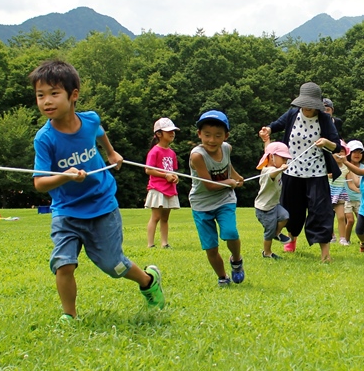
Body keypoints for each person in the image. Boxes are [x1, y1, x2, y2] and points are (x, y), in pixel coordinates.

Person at [29, 59, 164, 322]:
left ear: (73, 95)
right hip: (67, 212)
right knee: (63, 264)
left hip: (102, 205)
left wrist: (111, 152)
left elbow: (99, 131)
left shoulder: (89, 120)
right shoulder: (44, 139)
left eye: (54, 93)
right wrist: (64, 176)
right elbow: (39, 183)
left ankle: (149, 281)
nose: (46, 101)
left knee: (113, 266)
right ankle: (69, 316)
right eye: (40, 95)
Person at [259, 82, 341, 263]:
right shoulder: (292, 114)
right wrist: (268, 130)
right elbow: (276, 125)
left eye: (311, 104)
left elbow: (337, 146)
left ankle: (325, 254)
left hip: (317, 173)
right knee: (292, 211)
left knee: (321, 212)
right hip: (292, 171)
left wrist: (325, 142)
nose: (307, 108)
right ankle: (292, 239)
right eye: (305, 103)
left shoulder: (324, 119)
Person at [189, 110, 245, 286]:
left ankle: (236, 261)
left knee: (230, 233)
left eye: (218, 135)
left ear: (225, 136)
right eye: (207, 135)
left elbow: (227, 165)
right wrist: (230, 181)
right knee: (210, 247)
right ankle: (222, 277)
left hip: (224, 200)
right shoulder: (197, 156)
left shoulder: (226, 148)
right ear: (199, 134)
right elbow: (210, 185)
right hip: (201, 204)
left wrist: (236, 176)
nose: (212, 140)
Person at [145, 117, 181, 248]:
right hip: (157, 188)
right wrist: (165, 175)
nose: (172, 133)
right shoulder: (154, 151)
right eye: (168, 131)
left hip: (169, 189)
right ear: (159, 134)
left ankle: (164, 243)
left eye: (173, 131)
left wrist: (174, 177)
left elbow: (172, 170)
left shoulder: (172, 153)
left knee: (165, 218)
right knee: (156, 217)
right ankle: (150, 244)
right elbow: (148, 170)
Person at [255, 137, 293, 259]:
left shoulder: (276, 167)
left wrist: (266, 140)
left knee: (285, 216)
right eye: (283, 158)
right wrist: (281, 169)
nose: (285, 161)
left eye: (286, 159)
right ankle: (267, 253)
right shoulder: (269, 170)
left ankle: (277, 233)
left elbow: (268, 150)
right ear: (272, 157)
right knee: (269, 232)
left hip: (274, 205)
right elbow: (271, 174)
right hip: (264, 209)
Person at [330, 140, 351, 245]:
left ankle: (342, 238)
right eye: (336, 151)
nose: (339, 154)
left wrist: (358, 189)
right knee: (328, 216)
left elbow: (351, 181)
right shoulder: (328, 165)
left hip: (340, 193)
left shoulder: (346, 167)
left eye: (341, 151)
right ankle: (331, 235)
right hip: (328, 193)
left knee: (341, 217)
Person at [344, 140, 364, 243]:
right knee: (350, 220)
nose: (357, 154)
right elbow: (351, 184)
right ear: (349, 153)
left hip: (360, 199)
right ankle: (346, 240)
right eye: (354, 151)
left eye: (360, 152)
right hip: (347, 198)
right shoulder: (345, 167)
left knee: (361, 221)